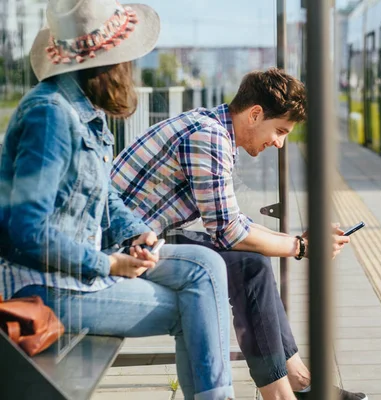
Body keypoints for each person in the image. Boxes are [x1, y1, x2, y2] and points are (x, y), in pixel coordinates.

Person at [0, 1, 233, 399]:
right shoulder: (51, 116)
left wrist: (136, 233)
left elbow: (104, 194)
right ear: (109, 64)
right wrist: (109, 263)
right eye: (128, 59)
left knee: (207, 266)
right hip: (45, 286)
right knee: (193, 308)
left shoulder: (81, 107)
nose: (132, 69)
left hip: (73, 271)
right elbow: (26, 230)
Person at [112, 68, 368, 400]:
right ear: (255, 113)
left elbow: (232, 224)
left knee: (251, 259)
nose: (279, 143)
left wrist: (301, 240)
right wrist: (302, 247)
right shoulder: (208, 137)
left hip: (147, 238)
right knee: (249, 263)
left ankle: (297, 380)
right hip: (121, 250)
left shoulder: (210, 129)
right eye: (279, 130)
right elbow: (229, 233)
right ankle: (284, 391)